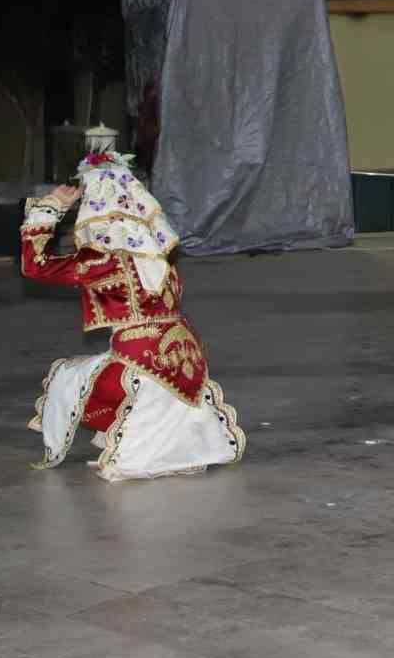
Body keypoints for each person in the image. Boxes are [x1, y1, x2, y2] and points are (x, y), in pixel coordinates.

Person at [19, 151, 245, 480]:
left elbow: (34, 266)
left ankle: (132, 438)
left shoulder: (99, 261)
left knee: (68, 378)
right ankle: (158, 440)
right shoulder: (161, 259)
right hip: (188, 361)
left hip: (140, 363)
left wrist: (49, 208)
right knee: (109, 372)